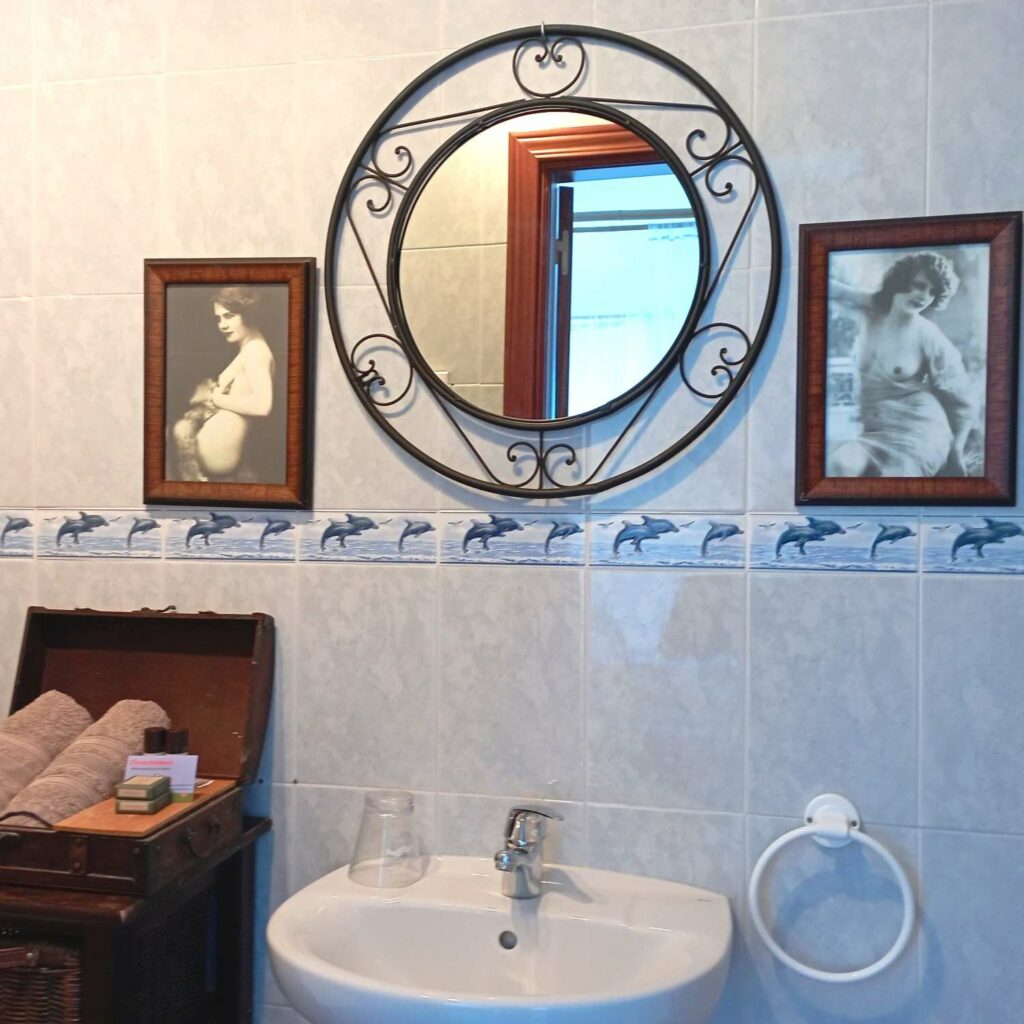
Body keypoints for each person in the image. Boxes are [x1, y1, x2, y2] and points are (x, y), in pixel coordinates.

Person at [827, 251, 978, 478]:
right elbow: (825, 287)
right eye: (919, 285)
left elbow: (963, 402)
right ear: (901, 281)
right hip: (875, 431)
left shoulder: (929, 335)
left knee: (892, 481)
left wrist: (955, 453)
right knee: (839, 466)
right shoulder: (870, 311)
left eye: (933, 292)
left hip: (920, 430)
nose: (924, 296)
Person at [171, 287, 275, 481]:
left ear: (249, 314)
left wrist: (215, 397)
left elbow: (263, 405)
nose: (222, 325)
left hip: (223, 466)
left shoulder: (256, 353)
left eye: (229, 316)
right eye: (219, 318)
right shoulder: (247, 350)